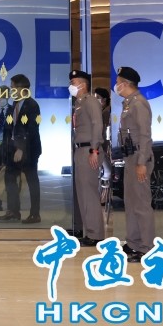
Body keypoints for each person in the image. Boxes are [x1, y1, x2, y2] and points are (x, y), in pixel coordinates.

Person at [115, 66, 155, 263]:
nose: (116, 86)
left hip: (139, 158)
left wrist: (141, 163)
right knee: (130, 203)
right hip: (130, 158)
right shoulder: (128, 103)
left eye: (118, 82)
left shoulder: (139, 104)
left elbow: (145, 135)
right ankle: (133, 243)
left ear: (126, 83)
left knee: (141, 204)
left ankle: (146, 248)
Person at [0, 73, 42, 224]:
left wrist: (21, 148)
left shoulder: (32, 105)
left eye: (13, 87)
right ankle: (13, 211)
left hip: (28, 150)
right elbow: (12, 128)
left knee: (32, 180)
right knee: (10, 178)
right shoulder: (15, 104)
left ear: (21, 88)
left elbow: (31, 129)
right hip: (13, 149)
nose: (11, 90)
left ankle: (35, 214)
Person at [69, 70, 105, 246]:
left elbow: (97, 124)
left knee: (89, 193)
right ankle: (87, 230)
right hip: (80, 150)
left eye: (74, 82)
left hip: (89, 150)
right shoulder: (79, 103)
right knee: (82, 193)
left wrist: (94, 150)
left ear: (83, 85)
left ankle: (95, 234)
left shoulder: (90, 101)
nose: (71, 85)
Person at [94, 87, 111, 155]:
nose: (95, 100)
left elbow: (105, 130)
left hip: (105, 144)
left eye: (98, 97)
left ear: (104, 99)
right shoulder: (102, 111)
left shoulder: (106, 112)